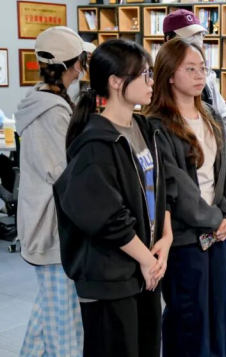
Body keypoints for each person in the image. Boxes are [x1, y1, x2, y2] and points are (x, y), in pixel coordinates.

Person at [54, 39, 172, 357]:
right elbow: (107, 218)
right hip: (112, 276)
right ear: (117, 82)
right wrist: (147, 260)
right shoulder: (95, 144)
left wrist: (166, 239)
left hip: (146, 268)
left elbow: (164, 188)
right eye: (144, 74)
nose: (151, 82)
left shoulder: (145, 128)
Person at [145, 38, 226, 357]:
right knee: (189, 316)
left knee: (220, 311)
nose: (200, 74)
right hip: (184, 238)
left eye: (202, 67)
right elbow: (176, 186)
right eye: (190, 69)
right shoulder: (157, 125)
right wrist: (215, 219)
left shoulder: (210, 115)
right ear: (169, 75)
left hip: (217, 233)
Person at [14, 27, 89, 356]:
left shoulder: (45, 101)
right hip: (53, 230)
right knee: (64, 324)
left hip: (48, 224)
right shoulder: (52, 111)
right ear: (75, 65)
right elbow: (64, 174)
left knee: (49, 311)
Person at [163, 9, 226, 132]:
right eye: (189, 35)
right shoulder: (154, 82)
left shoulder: (206, 78)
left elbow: (224, 117)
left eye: (200, 34)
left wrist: (209, 137)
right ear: (169, 39)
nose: (197, 40)